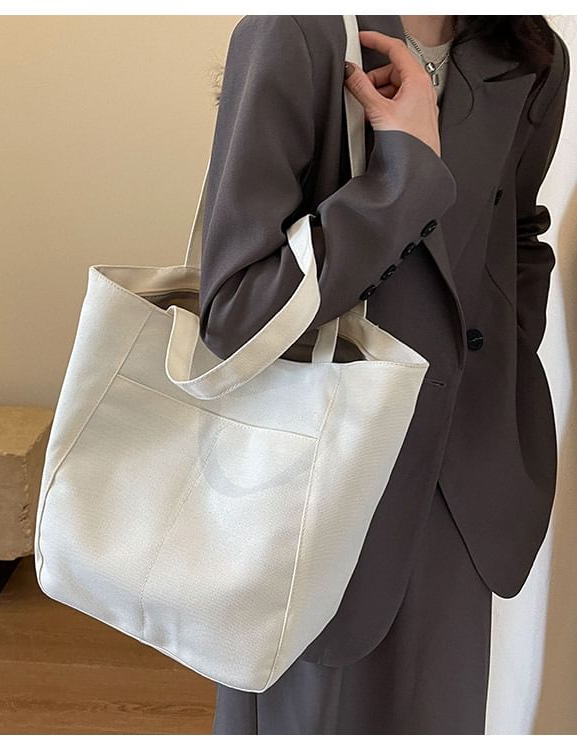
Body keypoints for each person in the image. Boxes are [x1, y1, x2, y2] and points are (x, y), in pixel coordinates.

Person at [199, 15, 570, 734]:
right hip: (319, 473)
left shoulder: (530, 54)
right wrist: (403, 176)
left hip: (460, 472)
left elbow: (519, 235)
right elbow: (236, 310)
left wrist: (501, 359)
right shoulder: (295, 33)